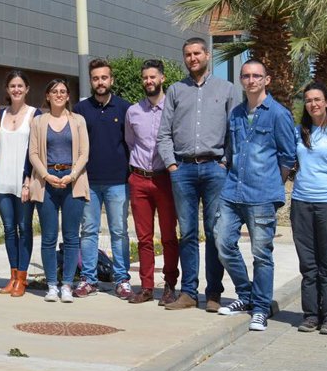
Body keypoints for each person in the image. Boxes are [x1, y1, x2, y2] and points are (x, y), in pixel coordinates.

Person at [157, 37, 242, 312]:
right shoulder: (175, 90)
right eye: (188, 54)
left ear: (207, 55)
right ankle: (188, 293)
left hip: (215, 168)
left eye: (197, 53)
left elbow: (235, 132)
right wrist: (172, 165)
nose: (192, 58)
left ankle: (214, 293)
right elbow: (164, 134)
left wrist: (225, 162)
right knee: (188, 233)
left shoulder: (227, 89)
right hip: (183, 170)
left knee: (215, 232)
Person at [215, 58, 297, 332]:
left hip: (262, 195)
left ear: (266, 80)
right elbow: (230, 150)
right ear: (241, 80)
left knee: (261, 254)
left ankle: (261, 308)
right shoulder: (236, 114)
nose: (251, 80)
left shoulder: (279, 114)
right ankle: (246, 294)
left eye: (256, 76)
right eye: (246, 76)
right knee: (223, 243)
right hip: (232, 191)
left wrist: (273, 184)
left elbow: (287, 156)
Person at [73, 58, 133, 299]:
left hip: (118, 181)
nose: (100, 82)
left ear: (111, 80)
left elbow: (131, 143)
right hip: (88, 181)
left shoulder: (125, 108)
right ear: (91, 81)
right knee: (88, 231)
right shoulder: (80, 110)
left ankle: (122, 279)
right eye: (96, 78)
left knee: (119, 231)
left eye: (104, 78)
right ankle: (89, 279)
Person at [291, 81, 327, 335]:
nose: (313, 104)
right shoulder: (299, 131)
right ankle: (311, 314)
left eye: (317, 99)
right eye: (308, 100)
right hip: (301, 203)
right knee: (308, 263)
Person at [123, 59, 180, 306]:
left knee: (168, 236)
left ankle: (170, 286)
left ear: (162, 78)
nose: (149, 81)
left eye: (153, 77)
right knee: (143, 238)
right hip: (139, 179)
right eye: (145, 77)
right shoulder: (133, 111)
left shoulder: (174, 109)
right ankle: (146, 287)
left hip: (165, 179)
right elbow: (130, 142)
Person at [28, 78, 89, 302]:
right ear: (47, 95)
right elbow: (33, 153)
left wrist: (71, 176)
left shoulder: (78, 120)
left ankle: (68, 285)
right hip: (47, 181)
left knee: (72, 237)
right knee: (49, 237)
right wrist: (46, 175)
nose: (59, 95)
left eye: (63, 91)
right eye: (54, 91)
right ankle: (52, 285)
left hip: (73, 180)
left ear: (68, 96)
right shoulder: (38, 121)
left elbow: (84, 153)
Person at [0, 70, 40, 296]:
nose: (16, 89)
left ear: (27, 89)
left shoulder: (34, 114)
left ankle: (22, 278)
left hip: (23, 183)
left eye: (20, 86)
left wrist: (28, 181)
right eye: (12, 86)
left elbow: (35, 150)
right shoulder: (0, 114)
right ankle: (12, 277)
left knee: (24, 228)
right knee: (9, 230)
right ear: (7, 89)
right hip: (3, 181)